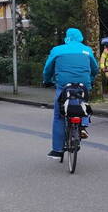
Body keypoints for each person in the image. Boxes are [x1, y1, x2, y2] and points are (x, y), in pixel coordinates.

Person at [42, 27, 100, 160]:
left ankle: (57, 150)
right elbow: (95, 69)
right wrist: (89, 81)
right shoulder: (87, 50)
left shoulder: (57, 50)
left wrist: (47, 80)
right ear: (80, 37)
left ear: (67, 37)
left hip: (63, 86)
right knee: (84, 103)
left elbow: (48, 69)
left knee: (59, 116)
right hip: (82, 85)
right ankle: (83, 126)